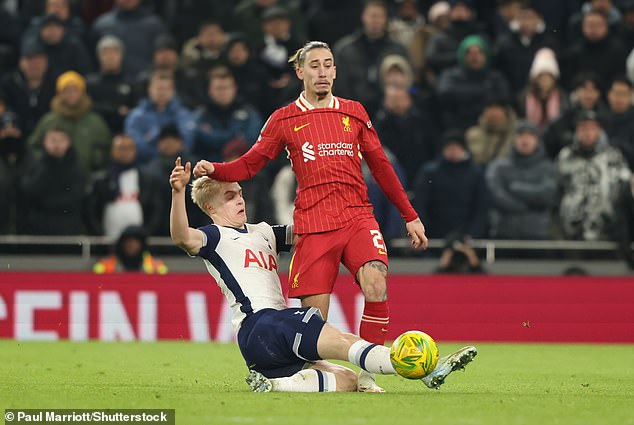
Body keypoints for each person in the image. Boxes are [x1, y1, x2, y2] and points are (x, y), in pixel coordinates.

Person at [192, 40, 428, 393]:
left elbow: (381, 167)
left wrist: (410, 214)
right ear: (300, 72)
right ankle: (295, 378)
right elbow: (252, 163)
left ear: (335, 70)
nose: (323, 71)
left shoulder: (354, 112)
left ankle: (367, 376)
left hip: (357, 216)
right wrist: (218, 169)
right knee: (315, 322)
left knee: (376, 281)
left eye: (328, 64)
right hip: (313, 226)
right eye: (314, 65)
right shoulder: (284, 119)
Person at [169, 157, 476, 392]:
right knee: (344, 341)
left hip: (263, 344)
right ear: (210, 206)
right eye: (230, 196)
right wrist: (178, 193)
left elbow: (312, 232)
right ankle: (426, 369)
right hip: (263, 323)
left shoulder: (263, 232)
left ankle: (274, 385)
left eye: (239, 192)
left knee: (346, 380)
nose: (240, 199)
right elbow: (183, 237)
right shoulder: (214, 236)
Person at [93, 225, 167, 273]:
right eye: (128, 242)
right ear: (122, 244)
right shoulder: (106, 264)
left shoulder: (155, 265)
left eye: (135, 242)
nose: (131, 245)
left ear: (141, 245)